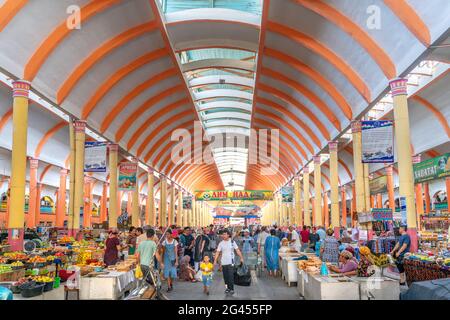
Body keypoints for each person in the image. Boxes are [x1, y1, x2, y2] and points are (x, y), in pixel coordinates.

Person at [213, 229, 244, 295]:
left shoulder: (232, 242)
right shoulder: (221, 243)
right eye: (222, 234)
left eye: (224, 234)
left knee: (230, 276)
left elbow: (237, 250)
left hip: (231, 262)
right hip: (224, 262)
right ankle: (227, 288)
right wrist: (215, 260)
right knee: (225, 277)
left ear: (228, 235)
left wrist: (241, 258)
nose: (223, 236)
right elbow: (217, 252)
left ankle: (232, 289)